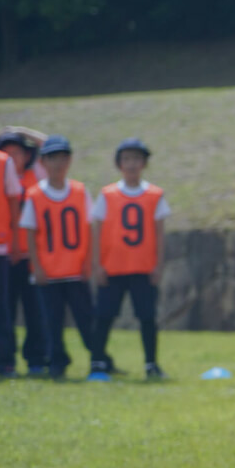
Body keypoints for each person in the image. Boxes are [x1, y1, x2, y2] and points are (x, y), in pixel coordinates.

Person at [20, 135, 104, 380]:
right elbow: (30, 233)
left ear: (69, 161)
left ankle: (98, 359)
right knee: (51, 323)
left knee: (87, 319)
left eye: (62, 158)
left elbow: (90, 230)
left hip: (76, 270)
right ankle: (57, 363)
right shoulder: (35, 194)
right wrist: (37, 267)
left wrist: (89, 262)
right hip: (49, 272)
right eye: (52, 158)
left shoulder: (79, 191)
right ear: (43, 162)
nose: (57, 163)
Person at [90, 138, 171, 381]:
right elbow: (96, 230)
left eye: (136, 158)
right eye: (126, 159)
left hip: (143, 268)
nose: (132, 164)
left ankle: (151, 364)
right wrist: (97, 265)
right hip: (113, 267)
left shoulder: (154, 194)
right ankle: (97, 362)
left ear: (144, 163)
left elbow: (159, 233)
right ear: (119, 164)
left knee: (147, 317)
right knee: (104, 316)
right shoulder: (108, 194)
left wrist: (159, 265)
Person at [0, 129, 47, 376]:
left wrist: (22, 131)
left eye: (18, 151)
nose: (13, 156)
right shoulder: (1, 171)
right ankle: (7, 359)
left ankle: (36, 359)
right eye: (7, 151)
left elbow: (49, 144)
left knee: (34, 310)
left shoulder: (34, 175)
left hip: (31, 255)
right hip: (7, 253)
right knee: (5, 309)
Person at [0, 134, 27, 377]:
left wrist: (16, 241)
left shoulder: (3, 161)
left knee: (1, 307)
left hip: (0, 248)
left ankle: (6, 361)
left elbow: (13, 201)